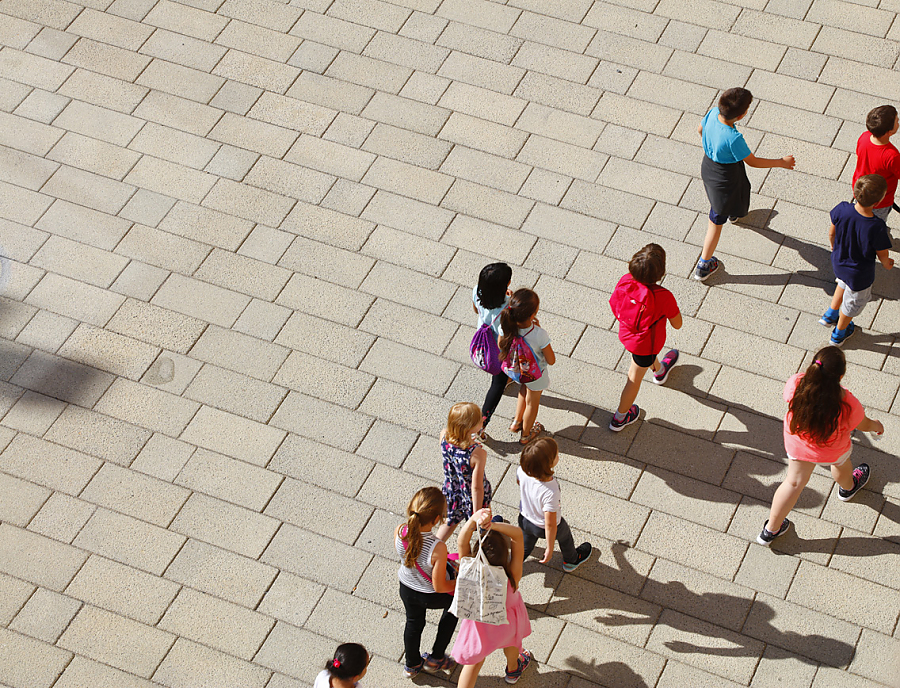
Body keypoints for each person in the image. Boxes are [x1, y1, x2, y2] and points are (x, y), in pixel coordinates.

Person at [757, 347, 883, 546]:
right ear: (840, 376)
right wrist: (877, 426)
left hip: (797, 443)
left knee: (793, 483)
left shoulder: (796, 383)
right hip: (831, 450)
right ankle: (848, 488)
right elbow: (863, 424)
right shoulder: (847, 404)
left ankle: (770, 530)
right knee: (842, 466)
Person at [694, 87, 795, 281]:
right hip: (725, 177)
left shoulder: (713, 113)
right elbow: (753, 162)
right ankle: (704, 264)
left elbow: (700, 129)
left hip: (709, 166)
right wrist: (780, 162)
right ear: (742, 115)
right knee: (715, 219)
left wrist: (713, 147)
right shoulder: (733, 138)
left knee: (740, 190)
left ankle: (735, 213)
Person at [452, 508, 533, 686]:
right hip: (507, 625)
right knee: (512, 645)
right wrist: (494, 525)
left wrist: (474, 520)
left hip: (480, 627)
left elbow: (461, 540)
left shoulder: (469, 570)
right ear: (506, 555)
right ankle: (513, 669)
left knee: (473, 664)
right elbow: (518, 535)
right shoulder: (511, 576)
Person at [609, 244, 682, 431]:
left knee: (645, 359)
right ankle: (620, 417)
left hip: (627, 333)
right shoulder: (663, 296)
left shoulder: (625, 280)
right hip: (646, 344)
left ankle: (659, 371)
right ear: (661, 273)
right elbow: (677, 324)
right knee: (634, 378)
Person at [819, 174, 894, 346]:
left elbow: (832, 232)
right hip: (859, 274)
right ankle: (840, 332)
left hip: (839, 261)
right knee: (853, 304)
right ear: (879, 200)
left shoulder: (842, 208)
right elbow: (882, 253)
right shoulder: (876, 226)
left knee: (842, 283)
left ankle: (830, 314)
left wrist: (833, 247)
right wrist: (886, 263)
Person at [396, 487, 459, 677]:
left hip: (406, 587)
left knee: (413, 624)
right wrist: (459, 585)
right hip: (429, 594)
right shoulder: (437, 547)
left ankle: (412, 665)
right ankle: (437, 657)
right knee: (453, 609)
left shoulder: (400, 531)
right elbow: (439, 586)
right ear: (436, 520)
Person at [516, 437, 592, 571]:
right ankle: (571, 560)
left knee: (526, 545)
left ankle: (511, 566)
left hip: (525, 519)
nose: (558, 455)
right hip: (542, 527)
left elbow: (519, 483)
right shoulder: (550, 491)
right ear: (548, 464)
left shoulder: (522, 470)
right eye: (556, 455)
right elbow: (550, 524)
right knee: (565, 537)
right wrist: (549, 548)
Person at [498, 288, 555, 445]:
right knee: (532, 403)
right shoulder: (539, 334)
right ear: (532, 314)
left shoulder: (505, 325)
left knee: (523, 390)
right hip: (535, 375)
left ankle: (516, 422)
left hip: (516, 371)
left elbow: (500, 345)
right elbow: (551, 360)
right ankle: (526, 435)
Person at [436, 402, 492, 541]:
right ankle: (486, 535)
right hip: (471, 496)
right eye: (479, 420)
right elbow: (477, 487)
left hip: (452, 490)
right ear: (469, 428)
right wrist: (476, 513)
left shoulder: (444, 436)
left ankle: (433, 548)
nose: (483, 419)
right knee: (485, 521)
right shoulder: (477, 454)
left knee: (449, 523)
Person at [472, 262, 513, 439]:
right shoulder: (507, 309)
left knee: (498, 381)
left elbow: (476, 310)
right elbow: (502, 339)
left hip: (483, 341)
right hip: (498, 350)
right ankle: (482, 424)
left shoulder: (476, 292)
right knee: (497, 383)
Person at [853, 104, 900, 222]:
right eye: (897, 121)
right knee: (876, 222)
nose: (898, 122)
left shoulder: (864, 137)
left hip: (860, 189)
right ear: (889, 132)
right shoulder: (891, 155)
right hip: (880, 200)